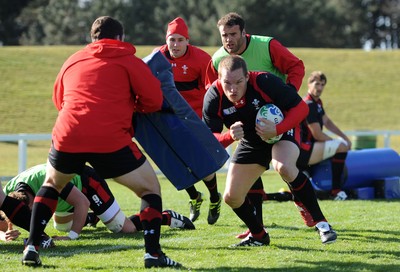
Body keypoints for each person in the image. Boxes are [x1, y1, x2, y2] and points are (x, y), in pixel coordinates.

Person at [21, 16, 182, 268]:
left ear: (92, 38)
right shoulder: (129, 61)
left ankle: (31, 246)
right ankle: (153, 254)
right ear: (120, 38)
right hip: (110, 139)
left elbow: (59, 99)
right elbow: (153, 100)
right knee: (150, 189)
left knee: (52, 185)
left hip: (69, 133)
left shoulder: (72, 60)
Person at [202, 55, 337, 247]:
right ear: (219, 79)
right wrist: (228, 137)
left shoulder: (264, 81)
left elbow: (300, 109)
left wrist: (277, 129)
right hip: (251, 141)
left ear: (247, 77)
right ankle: (259, 235)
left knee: (283, 167)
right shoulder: (214, 97)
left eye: (239, 82)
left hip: (282, 131)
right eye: (227, 83)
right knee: (231, 197)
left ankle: (323, 225)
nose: (233, 89)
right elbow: (208, 142)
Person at [204, 12, 306, 239]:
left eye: (233, 34)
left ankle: (304, 203)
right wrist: (228, 129)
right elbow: (212, 93)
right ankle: (257, 228)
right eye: (224, 35)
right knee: (244, 181)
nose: (228, 39)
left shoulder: (267, 45)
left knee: (286, 168)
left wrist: (287, 98)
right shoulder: (217, 59)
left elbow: (296, 66)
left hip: (280, 120)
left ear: (243, 32)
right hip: (248, 129)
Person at [5, 164, 194, 241]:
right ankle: (91, 218)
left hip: (87, 184)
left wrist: (72, 237)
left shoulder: (48, 181)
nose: (30, 218)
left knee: (124, 229)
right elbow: (1, 223)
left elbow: (82, 202)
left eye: (32, 211)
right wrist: (3, 235)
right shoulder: (7, 194)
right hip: (69, 199)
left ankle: (165, 217)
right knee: (60, 226)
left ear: (35, 201)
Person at [153, 17, 222, 224]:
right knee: (174, 163)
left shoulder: (201, 59)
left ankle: (215, 197)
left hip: (195, 118)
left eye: (180, 40)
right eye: (171, 40)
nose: (175, 45)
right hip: (168, 118)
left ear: (187, 41)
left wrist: (211, 119)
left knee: (201, 162)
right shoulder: (157, 57)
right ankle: (194, 197)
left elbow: (214, 90)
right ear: (166, 40)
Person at [300, 71, 351, 200]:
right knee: (340, 147)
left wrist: (344, 137)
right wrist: (337, 143)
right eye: (317, 84)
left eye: (322, 85)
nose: (320, 88)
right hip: (303, 150)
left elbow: (327, 121)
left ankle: (313, 178)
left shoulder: (317, 102)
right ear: (309, 84)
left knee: (341, 145)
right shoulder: (308, 104)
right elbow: (317, 135)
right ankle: (336, 191)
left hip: (310, 148)